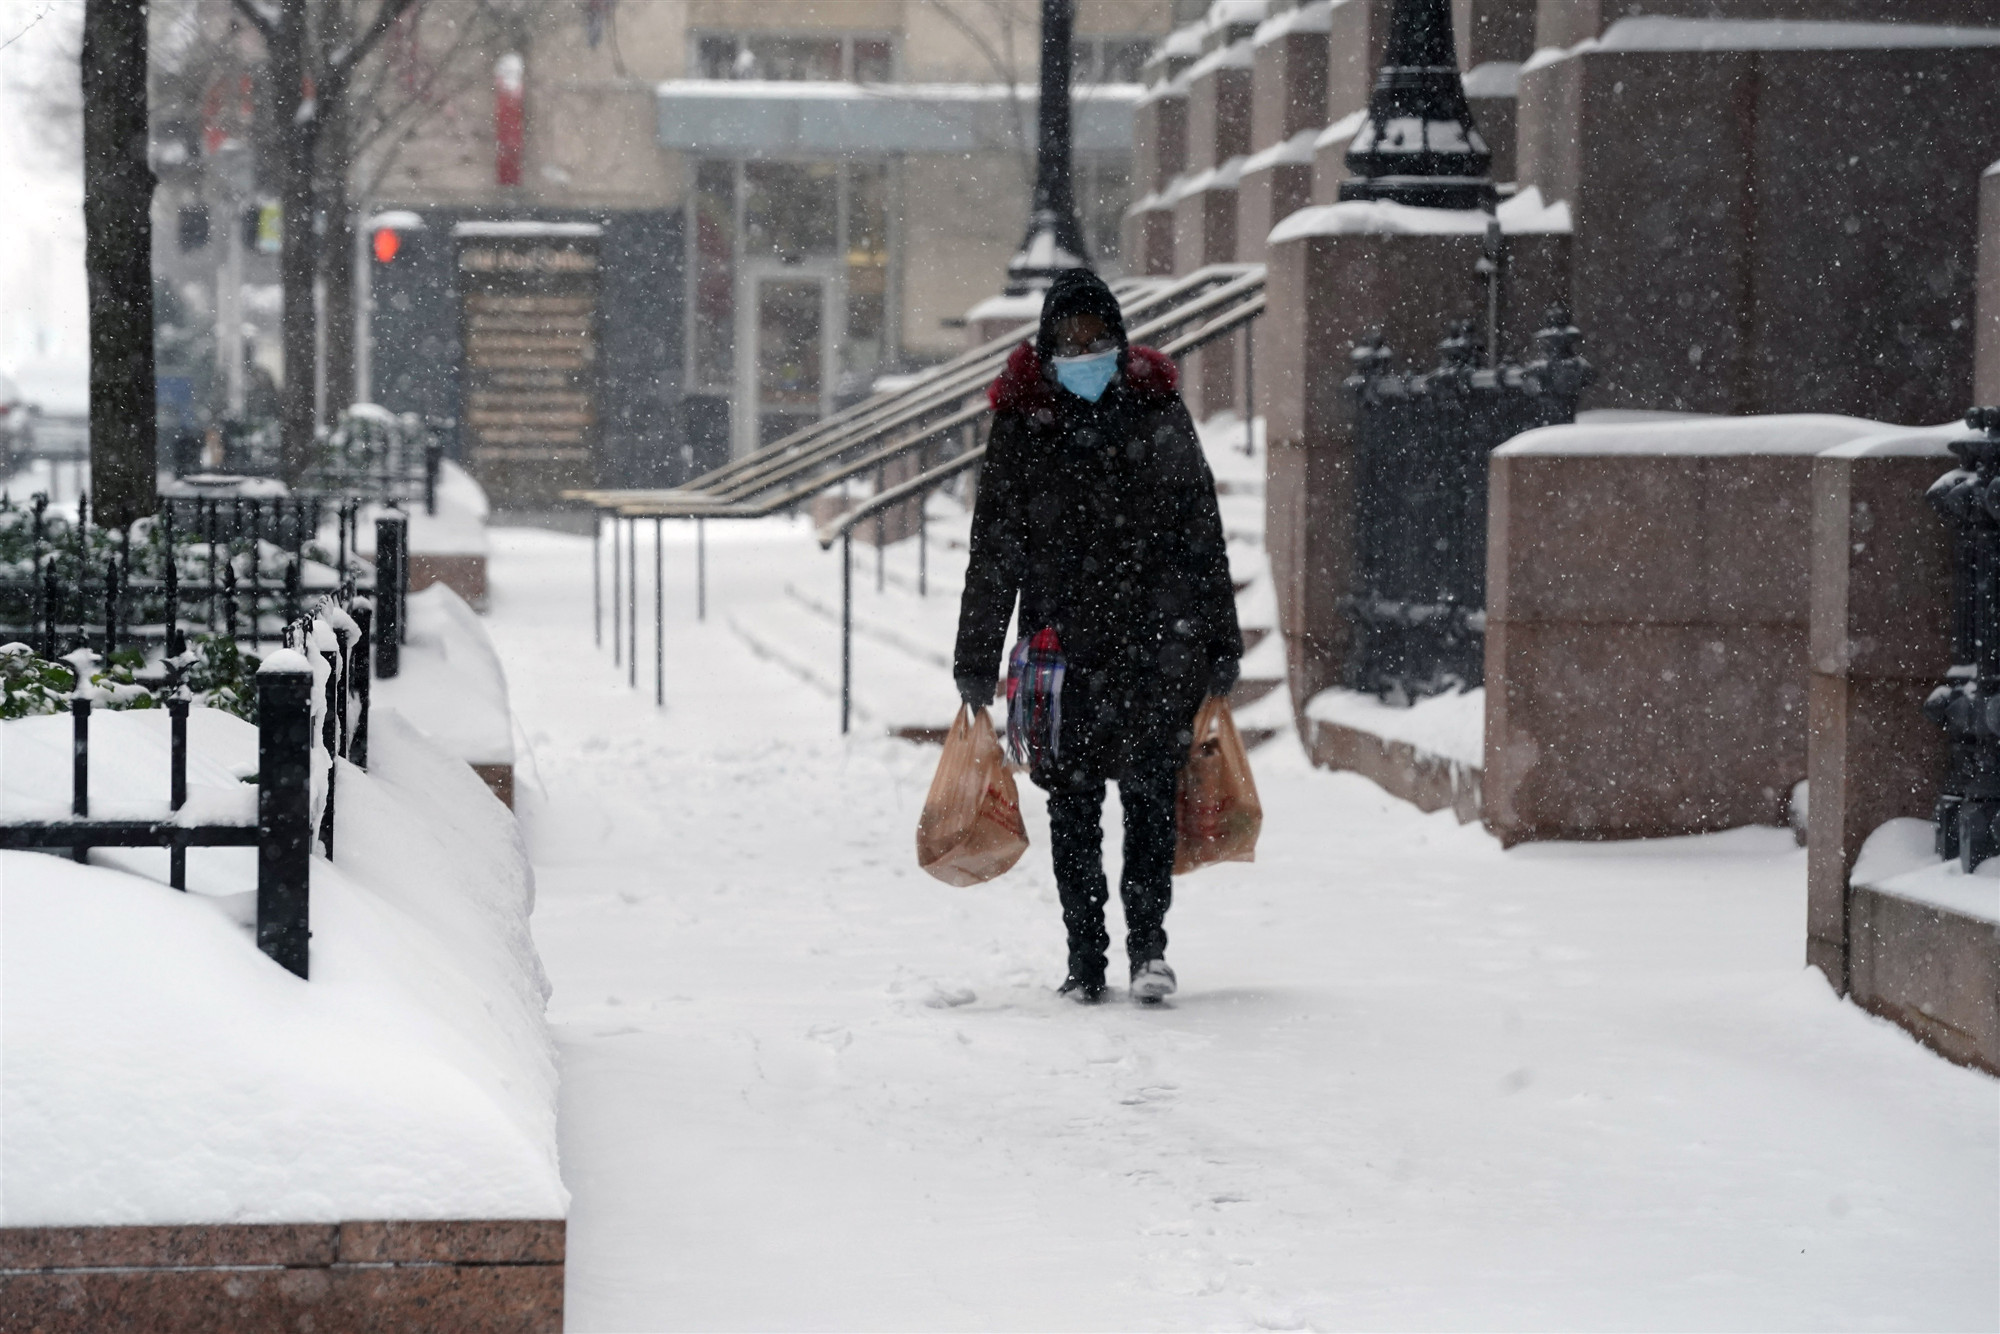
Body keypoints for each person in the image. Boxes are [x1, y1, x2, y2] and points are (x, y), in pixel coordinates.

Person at [954, 269, 1242, 1004]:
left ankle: (1149, 947)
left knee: (1149, 801)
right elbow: (996, 550)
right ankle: (1086, 959)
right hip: (1062, 652)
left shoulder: (1156, 411)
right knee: (1073, 809)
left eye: (1096, 336)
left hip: (1155, 644)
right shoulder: (1023, 425)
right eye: (1070, 338)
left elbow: (1200, 531)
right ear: (1047, 345)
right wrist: (976, 659)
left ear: (1118, 338)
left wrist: (1219, 637)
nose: (1085, 350)